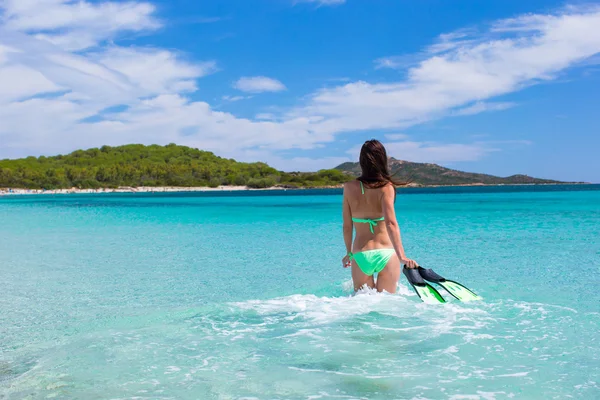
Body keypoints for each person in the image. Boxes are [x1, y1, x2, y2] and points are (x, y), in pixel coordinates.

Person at [342, 139, 418, 293]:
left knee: (361, 305)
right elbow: (391, 223)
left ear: (361, 161)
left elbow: (347, 226)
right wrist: (402, 256)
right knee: (387, 306)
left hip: (361, 254)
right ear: (383, 159)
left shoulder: (349, 187)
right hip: (386, 253)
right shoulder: (386, 187)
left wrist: (348, 253)